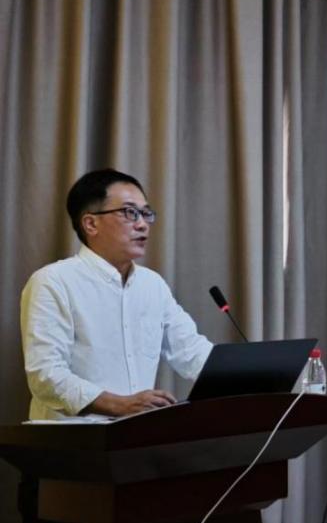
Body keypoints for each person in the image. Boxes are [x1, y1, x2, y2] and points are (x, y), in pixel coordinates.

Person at [20, 169, 213, 420]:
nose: (142, 224)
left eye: (146, 213)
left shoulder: (152, 285)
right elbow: (46, 376)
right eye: (130, 212)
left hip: (137, 434)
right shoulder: (53, 282)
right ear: (91, 224)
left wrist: (249, 377)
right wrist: (119, 405)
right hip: (74, 437)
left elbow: (192, 352)